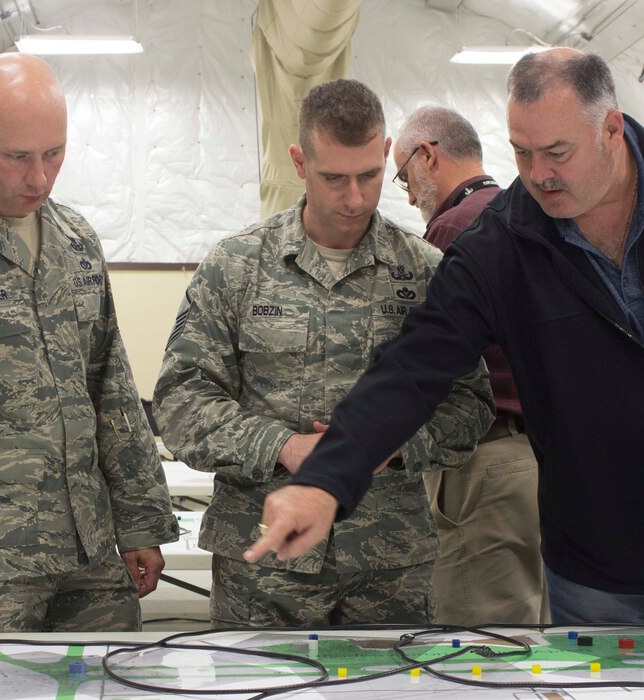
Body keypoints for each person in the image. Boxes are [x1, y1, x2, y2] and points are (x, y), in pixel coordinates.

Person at [246, 48, 644, 625]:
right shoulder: (502, 243)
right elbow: (412, 366)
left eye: (557, 152)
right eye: (521, 152)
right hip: (596, 567)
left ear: (610, 129)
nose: (539, 175)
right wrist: (327, 478)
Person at [153, 78, 494, 627]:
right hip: (264, 565)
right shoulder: (238, 266)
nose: (355, 198)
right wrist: (284, 447)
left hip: (389, 562)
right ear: (299, 161)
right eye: (334, 178)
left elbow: (472, 406)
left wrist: (391, 445)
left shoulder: (425, 270)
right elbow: (179, 402)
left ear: (388, 155)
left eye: (370, 175)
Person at [0, 53, 178, 654]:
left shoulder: (74, 240)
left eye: (55, 153)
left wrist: (141, 521)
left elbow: (113, 389)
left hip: (92, 554)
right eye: (17, 156)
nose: (40, 178)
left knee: (111, 685)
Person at [392, 106, 547, 624]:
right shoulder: (523, 214)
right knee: (531, 624)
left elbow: (423, 360)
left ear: (427, 155)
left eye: (401, 178)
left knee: (479, 637)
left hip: (484, 464)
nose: (409, 196)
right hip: (538, 456)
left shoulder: (453, 232)